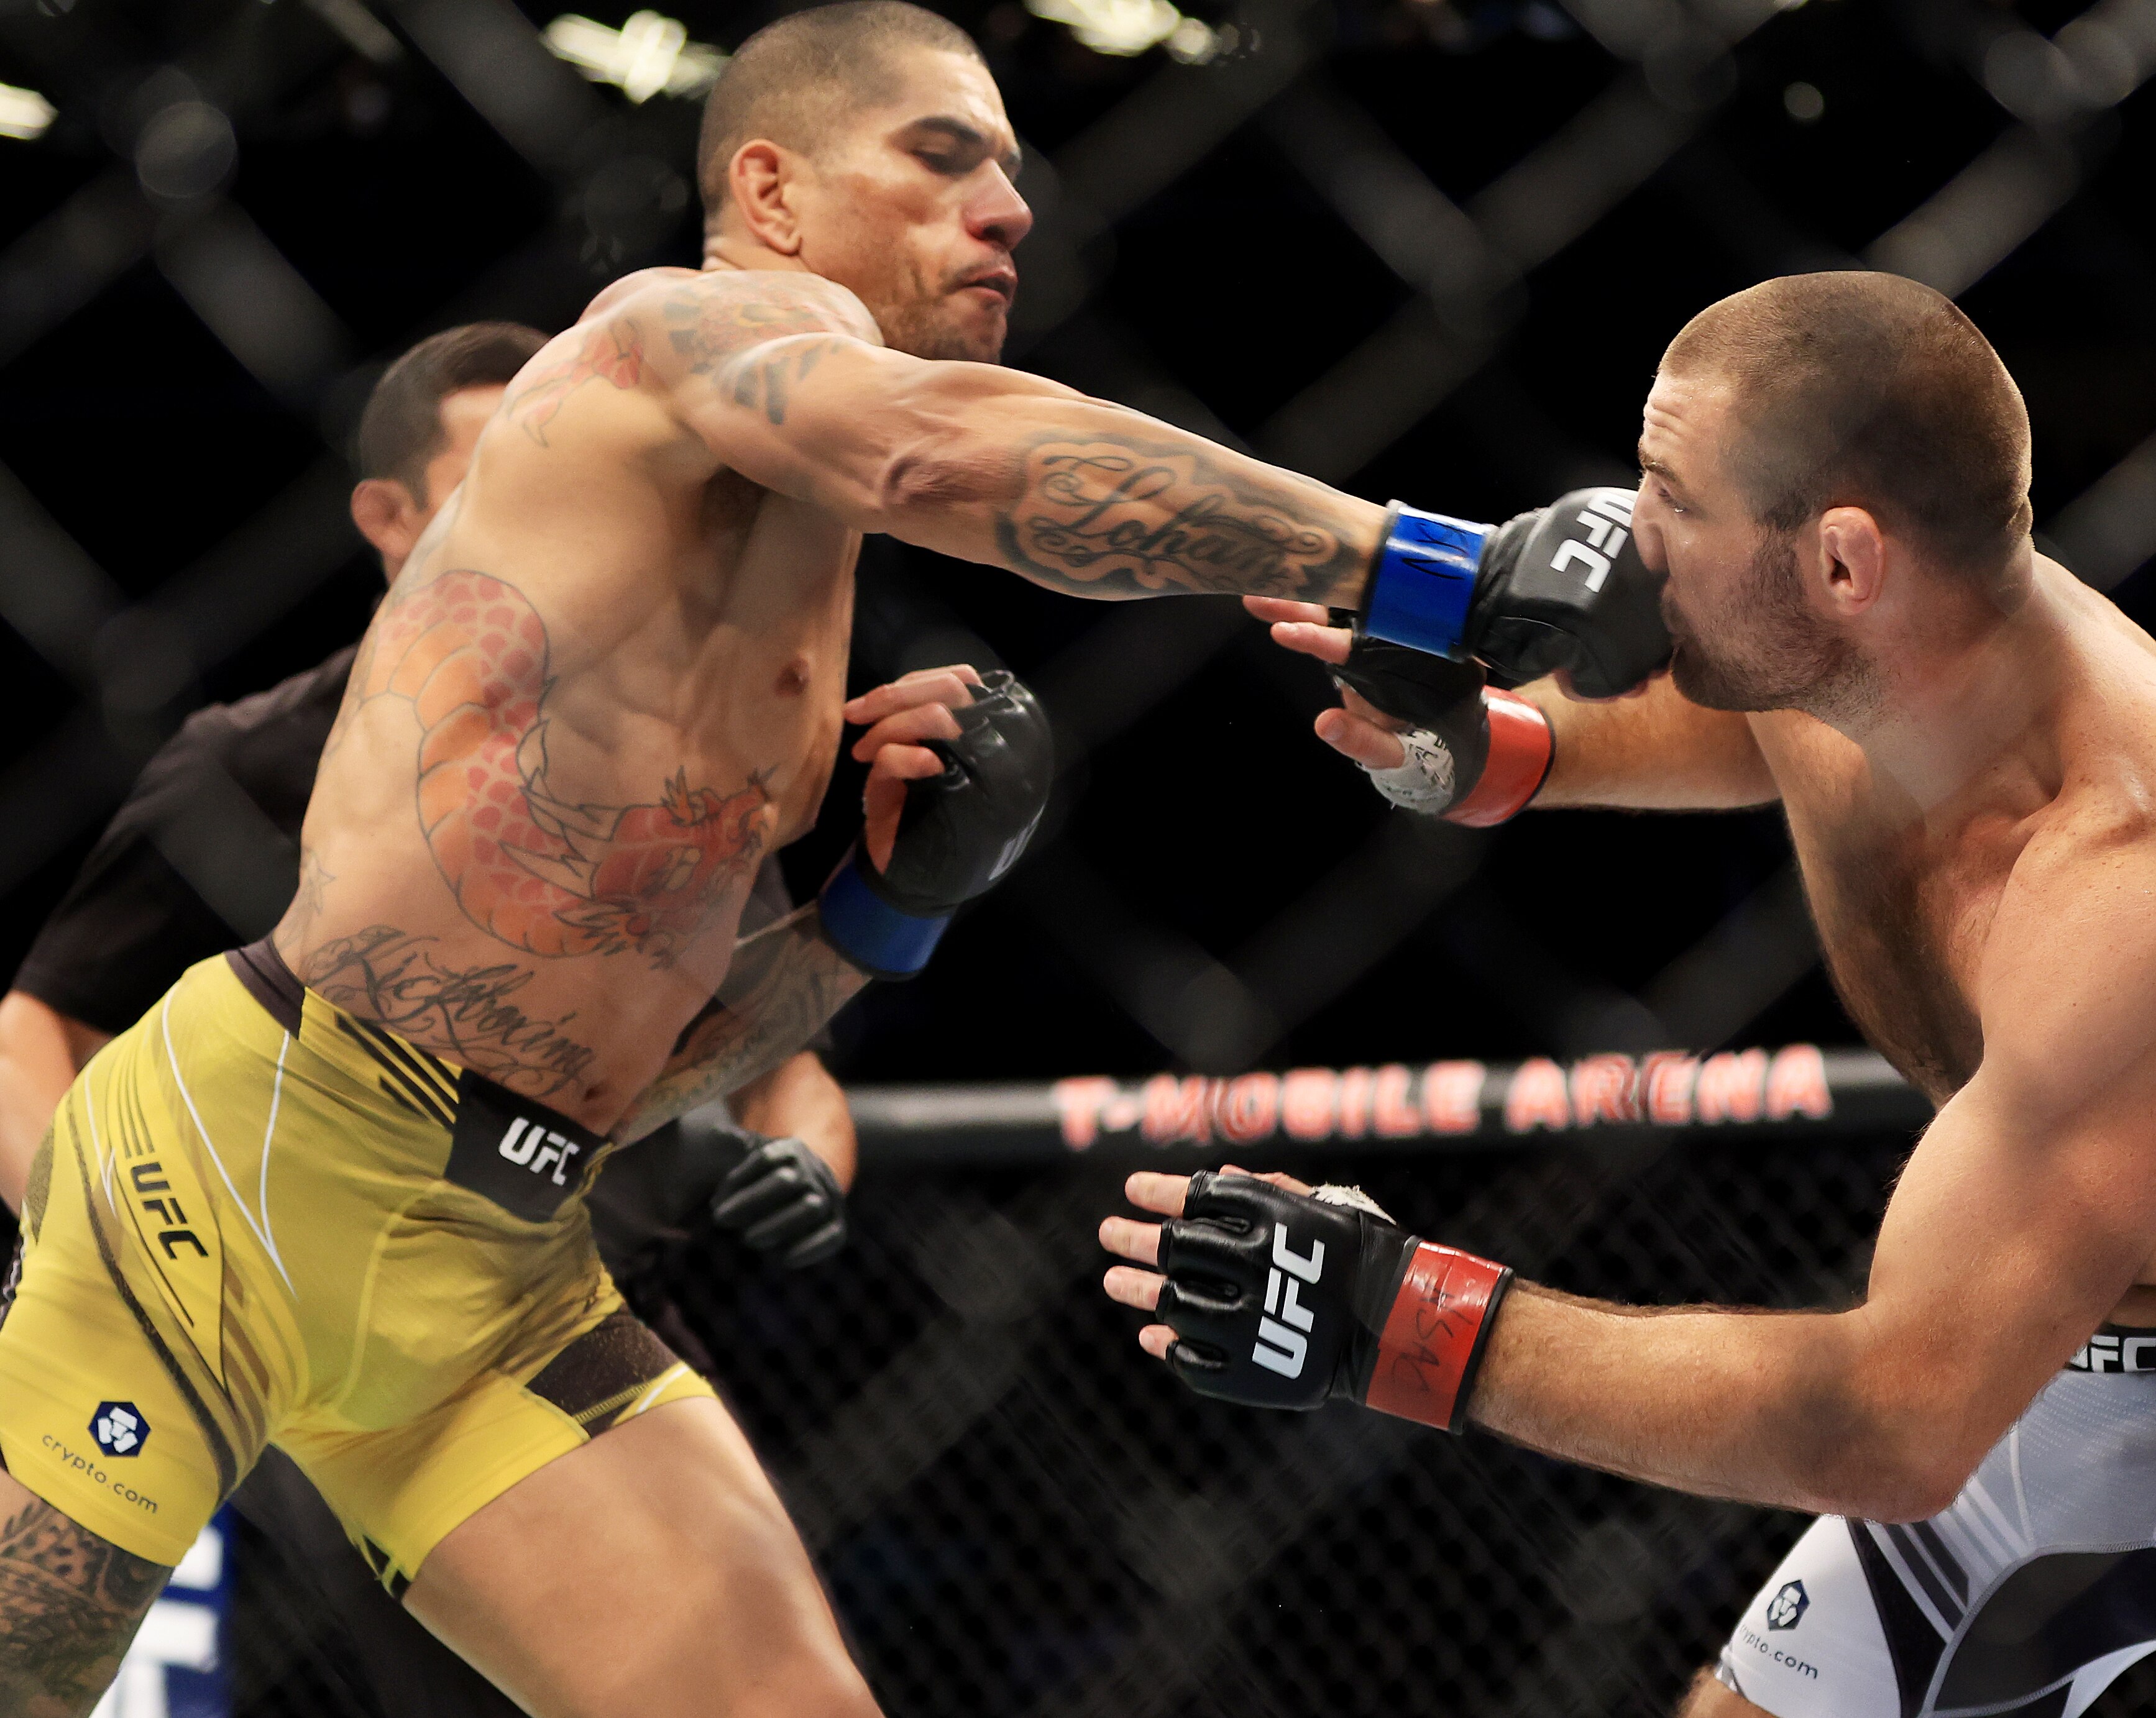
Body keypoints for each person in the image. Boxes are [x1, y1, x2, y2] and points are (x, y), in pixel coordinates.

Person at [0, 1, 1656, 1710]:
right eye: (940, 159)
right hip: (249, 1168)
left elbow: (642, 1069)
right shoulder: (679, 330)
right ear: (772, 191)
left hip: (499, 1263)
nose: (1007, 207)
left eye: (1010, 170)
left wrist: (884, 912)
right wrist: (1423, 566)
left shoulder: (786, 598)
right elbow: (937, 444)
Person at [1100, 272, 2156, 1718]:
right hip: (2054, 1379)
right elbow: (1735, 713)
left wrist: (1399, 1316)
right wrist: (1492, 751)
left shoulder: (2148, 873)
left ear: (1843, 562)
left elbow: (1898, 1422)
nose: (1626, 532)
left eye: (1672, 497)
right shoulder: (1882, 657)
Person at [0, 321, 868, 1717]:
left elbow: (789, 1072)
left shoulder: (678, 779)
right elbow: (33, 1025)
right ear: (390, 522)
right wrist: (128, 1265)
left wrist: (815, 1146)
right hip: (255, 1302)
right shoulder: (260, 755)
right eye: (495, 485)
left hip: (548, 1325)